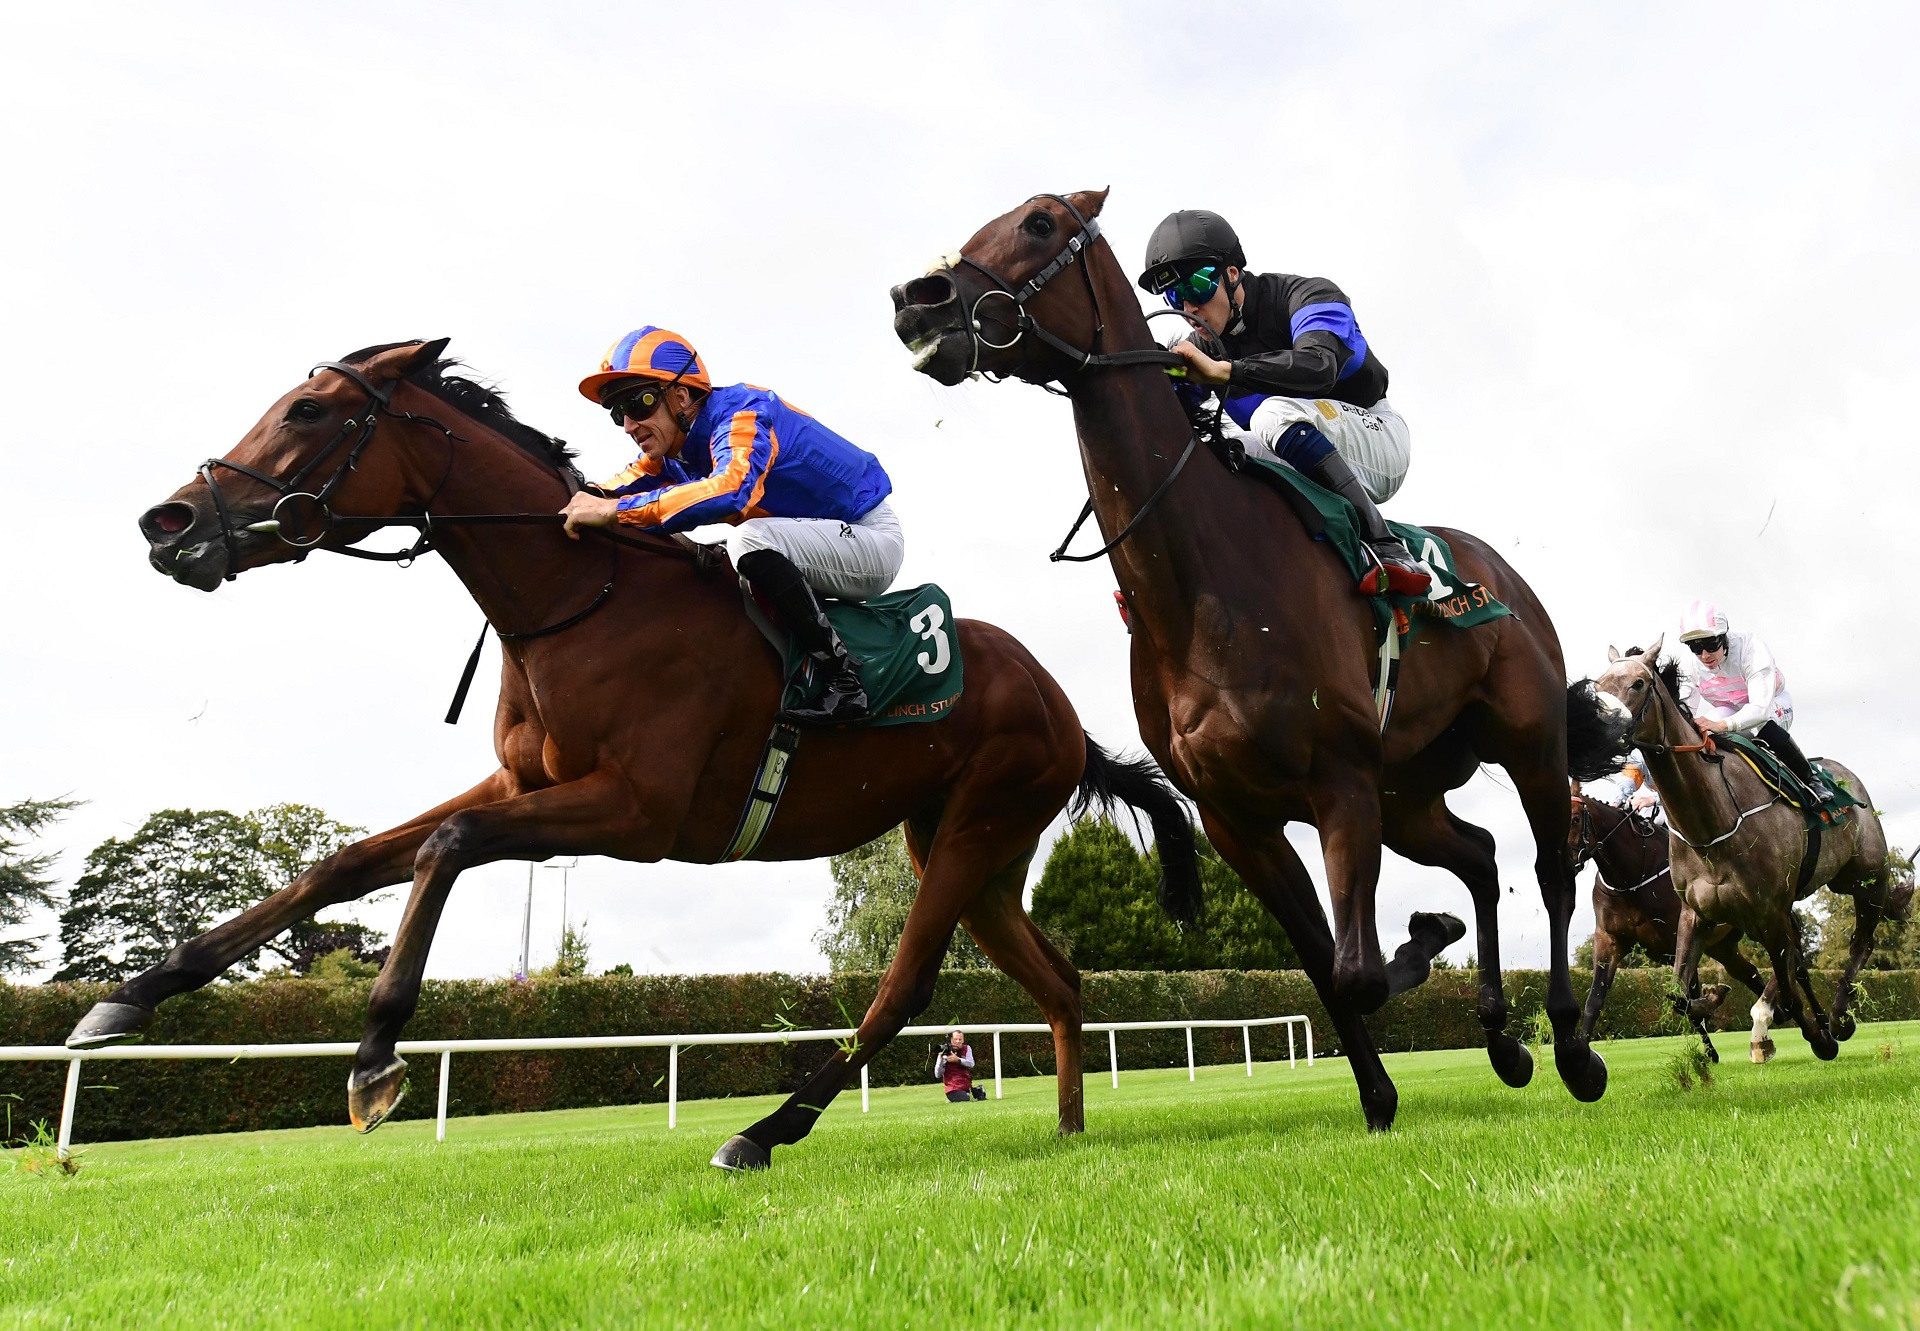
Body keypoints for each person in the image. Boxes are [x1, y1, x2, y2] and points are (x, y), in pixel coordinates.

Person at [562, 326, 903, 724]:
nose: (628, 426)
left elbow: (730, 488)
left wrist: (617, 512)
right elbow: (601, 493)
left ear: (681, 396)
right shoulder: (671, 452)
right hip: (812, 543)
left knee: (747, 540)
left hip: (869, 538)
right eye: (617, 413)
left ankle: (843, 681)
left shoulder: (744, 411)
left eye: (639, 404)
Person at [1137, 209, 1430, 596]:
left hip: (1378, 442)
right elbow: (1163, 417)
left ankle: (1385, 544)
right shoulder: (1202, 346)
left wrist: (1226, 371)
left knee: (1271, 413)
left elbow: (1318, 365)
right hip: (1301, 451)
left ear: (1232, 274)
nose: (1188, 307)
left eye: (1196, 287)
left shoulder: (1310, 296)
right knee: (1211, 458)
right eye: (1174, 295)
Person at [1674, 600, 1825, 796]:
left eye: (1710, 645)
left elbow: (1759, 709)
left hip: (1772, 704)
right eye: (1695, 647)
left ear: (1724, 636)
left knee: (1762, 726)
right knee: (1703, 734)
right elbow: (1684, 709)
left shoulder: (1750, 648)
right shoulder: (1690, 664)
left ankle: (1810, 780)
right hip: (1730, 708)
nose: (1704, 655)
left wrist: (1722, 725)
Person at [934, 1029, 986, 1102]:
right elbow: (937, 1075)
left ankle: (974, 1091)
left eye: (960, 1039)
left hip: (966, 1086)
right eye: (955, 1039)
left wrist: (958, 1060)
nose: (958, 1041)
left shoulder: (967, 1048)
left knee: (980, 1097)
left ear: (963, 1040)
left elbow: (971, 1064)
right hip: (953, 1089)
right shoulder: (944, 1052)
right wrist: (941, 1060)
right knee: (966, 1099)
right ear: (951, 1040)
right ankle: (965, 1096)